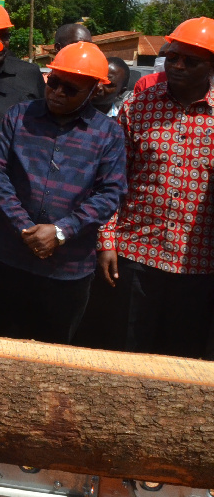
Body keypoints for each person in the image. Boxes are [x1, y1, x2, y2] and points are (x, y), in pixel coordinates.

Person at [0, 42, 126, 344]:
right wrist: (26, 228)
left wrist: (60, 231)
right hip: (8, 260)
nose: (57, 92)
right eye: (53, 83)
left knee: (53, 357)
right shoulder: (19, 116)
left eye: (70, 89)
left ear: (94, 91)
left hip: (67, 271)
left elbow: (111, 193)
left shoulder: (108, 134)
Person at [98, 18, 214, 358]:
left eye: (190, 61)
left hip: (199, 266)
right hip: (135, 256)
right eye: (173, 56)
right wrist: (107, 240)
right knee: (125, 356)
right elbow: (112, 180)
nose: (177, 65)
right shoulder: (139, 105)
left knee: (182, 364)